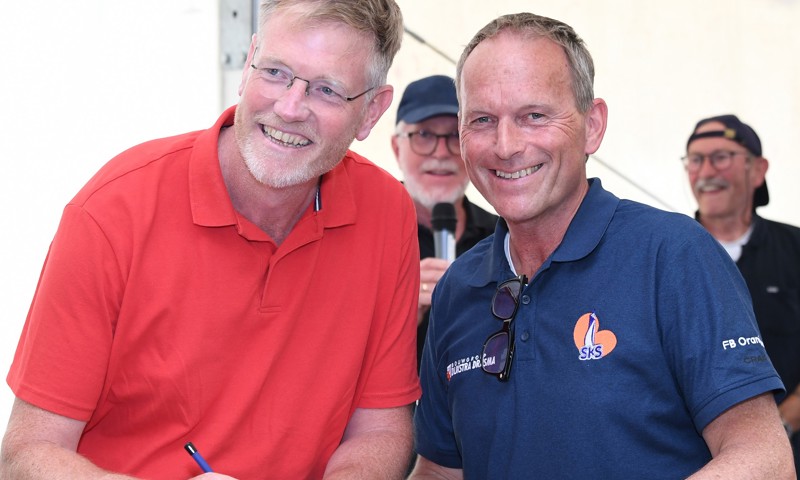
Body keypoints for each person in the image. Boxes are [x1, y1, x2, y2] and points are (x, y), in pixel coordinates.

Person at [1, 1, 422, 479]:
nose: (289, 108)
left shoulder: (386, 212)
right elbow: (27, 454)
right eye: (277, 72)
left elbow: (379, 429)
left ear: (371, 111)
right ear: (247, 65)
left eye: (326, 90)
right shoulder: (112, 212)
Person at [409, 12, 795, 479]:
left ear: (592, 126)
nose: (505, 145)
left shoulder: (672, 255)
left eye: (534, 116)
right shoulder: (456, 290)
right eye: (482, 120)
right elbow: (441, 470)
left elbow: (764, 459)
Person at [683, 114, 800, 476]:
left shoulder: (795, 249)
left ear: (758, 169)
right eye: (695, 160)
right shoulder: (667, 253)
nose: (706, 172)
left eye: (721, 157)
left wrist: (780, 424)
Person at [391, 75, 498, 367]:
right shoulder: (362, 231)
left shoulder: (504, 237)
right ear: (397, 148)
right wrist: (394, 319)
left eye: (454, 137)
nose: (440, 153)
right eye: (424, 135)